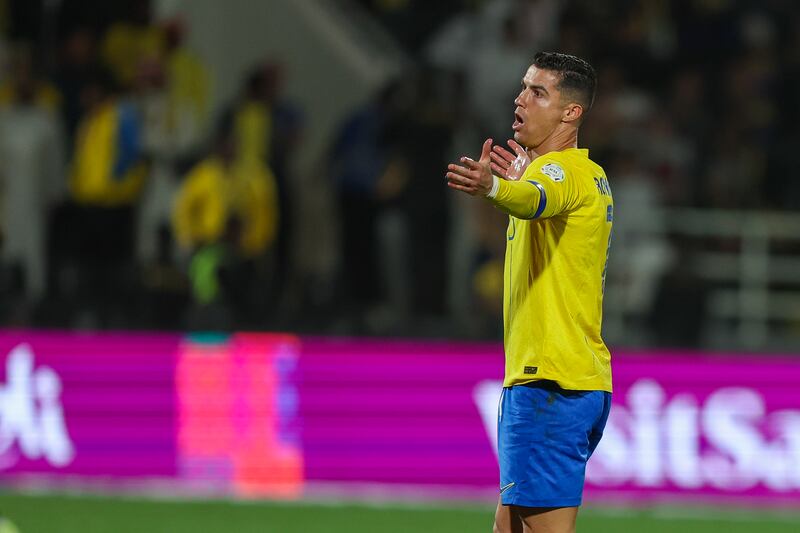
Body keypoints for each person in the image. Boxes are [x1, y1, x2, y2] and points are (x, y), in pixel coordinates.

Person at [445, 52, 613, 533]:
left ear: (571, 112)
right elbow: (536, 196)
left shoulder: (560, 172)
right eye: (523, 87)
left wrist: (493, 188)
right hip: (568, 380)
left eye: (538, 93)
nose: (520, 100)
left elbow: (534, 199)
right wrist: (518, 182)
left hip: (549, 384)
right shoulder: (586, 174)